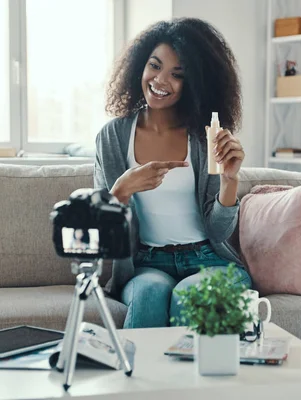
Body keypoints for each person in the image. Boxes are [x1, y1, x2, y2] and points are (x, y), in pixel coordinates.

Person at [94, 18, 251, 329]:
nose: (160, 80)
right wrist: (121, 191)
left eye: (177, 75)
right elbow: (105, 237)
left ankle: (188, 379)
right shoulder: (113, 137)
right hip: (148, 264)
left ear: (194, 84)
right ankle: (137, 378)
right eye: (154, 66)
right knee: (150, 293)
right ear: (140, 65)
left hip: (210, 260)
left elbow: (219, 233)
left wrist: (230, 181)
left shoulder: (207, 137)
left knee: (190, 294)